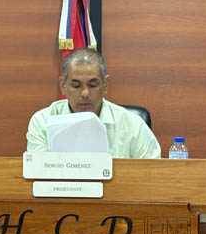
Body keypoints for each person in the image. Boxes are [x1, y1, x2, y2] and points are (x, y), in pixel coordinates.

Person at [26, 48, 161, 158]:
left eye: (93, 85)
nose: (85, 93)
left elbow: (153, 173)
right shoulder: (43, 122)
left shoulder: (132, 125)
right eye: (76, 86)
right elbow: (38, 172)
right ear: (63, 86)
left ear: (105, 85)